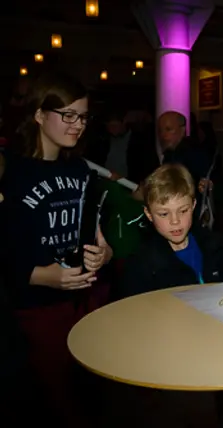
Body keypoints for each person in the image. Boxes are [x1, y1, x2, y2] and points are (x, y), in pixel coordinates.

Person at [0, 71, 113, 427]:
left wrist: (103, 253)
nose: (77, 124)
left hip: (84, 302)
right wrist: (38, 276)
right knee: (55, 403)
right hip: (35, 311)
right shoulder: (11, 172)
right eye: (67, 115)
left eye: (82, 116)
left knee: (94, 394)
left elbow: (94, 233)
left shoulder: (80, 169)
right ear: (38, 115)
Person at [115, 164, 223, 299]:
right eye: (163, 214)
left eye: (183, 211)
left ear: (193, 206)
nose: (175, 221)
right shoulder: (141, 264)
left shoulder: (213, 246)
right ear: (149, 214)